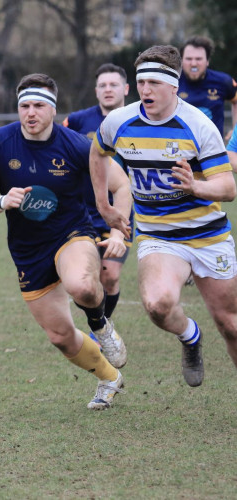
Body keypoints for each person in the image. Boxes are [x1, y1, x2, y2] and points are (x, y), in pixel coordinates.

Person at [0, 73, 130, 411]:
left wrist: (117, 231)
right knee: (60, 336)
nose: (30, 113)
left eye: (39, 105)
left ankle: (101, 324)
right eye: (24, 105)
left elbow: (121, 184)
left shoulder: (76, 145)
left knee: (82, 285)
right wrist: (1, 201)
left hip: (71, 234)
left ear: (53, 109)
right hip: (28, 251)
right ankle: (108, 377)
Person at [90, 45, 237, 388]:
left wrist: (196, 187)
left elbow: (228, 187)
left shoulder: (198, 126)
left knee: (230, 324)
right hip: (159, 235)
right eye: (141, 82)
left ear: (174, 86)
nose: (145, 90)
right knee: (157, 305)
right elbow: (97, 153)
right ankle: (190, 337)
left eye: (154, 82)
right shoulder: (119, 121)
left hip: (207, 235)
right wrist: (103, 203)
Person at [63, 63, 133, 320]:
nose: (108, 90)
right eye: (102, 85)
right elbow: (58, 149)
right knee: (86, 279)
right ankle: (98, 325)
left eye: (114, 84)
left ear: (125, 88)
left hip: (121, 207)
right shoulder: (78, 121)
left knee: (111, 276)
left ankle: (104, 326)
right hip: (83, 211)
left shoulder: (137, 120)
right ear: (96, 91)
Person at [177, 35, 237, 138]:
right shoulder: (172, 82)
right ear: (181, 61)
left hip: (214, 150)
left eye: (199, 59)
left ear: (207, 61)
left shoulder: (223, 81)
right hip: (179, 149)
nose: (194, 63)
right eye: (189, 59)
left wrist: (235, 131)